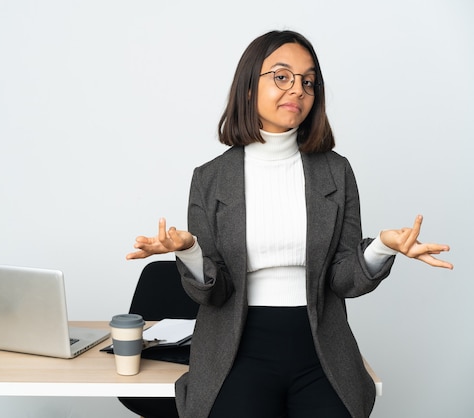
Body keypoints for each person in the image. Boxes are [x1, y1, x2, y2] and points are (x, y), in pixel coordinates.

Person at [125, 30, 453, 418]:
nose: (297, 89)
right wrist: (190, 251)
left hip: (319, 345)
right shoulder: (210, 178)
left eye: (308, 81)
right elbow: (214, 293)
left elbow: (342, 279)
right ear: (249, 88)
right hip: (235, 347)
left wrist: (381, 247)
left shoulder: (336, 171)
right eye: (282, 76)